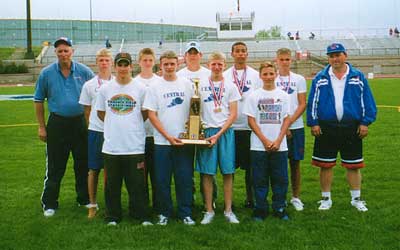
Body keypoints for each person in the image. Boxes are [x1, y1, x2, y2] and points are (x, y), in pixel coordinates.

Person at [307, 43, 377, 212]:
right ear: (328, 58)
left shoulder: (358, 76)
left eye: (338, 55)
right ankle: (326, 198)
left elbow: (367, 100)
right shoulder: (321, 77)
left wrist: (365, 122)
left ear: (345, 55)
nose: (335, 59)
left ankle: (356, 199)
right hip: (326, 127)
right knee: (325, 165)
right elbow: (312, 102)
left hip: (351, 127)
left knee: (353, 165)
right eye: (331, 56)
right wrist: (314, 122)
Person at [34, 37, 94, 217]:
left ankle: (83, 199)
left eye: (66, 50)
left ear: (72, 52)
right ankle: (50, 203)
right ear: (56, 53)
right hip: (57, 124)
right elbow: (38, 100)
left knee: (82, 164)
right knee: (55, 166)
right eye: (59, 51)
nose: (63, 54)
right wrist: (41, 127)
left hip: (79, 124)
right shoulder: (47, 73)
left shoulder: (84, 72)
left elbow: (97, 95)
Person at [96, 52, 151, 225]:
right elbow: (100, 112)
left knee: (137, 185)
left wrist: (130, 124)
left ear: (131, 66)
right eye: (120, 64)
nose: (123, 68)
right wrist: (116, 123)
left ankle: (140, 214)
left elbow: (145, 112)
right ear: (115, 66)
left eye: (126, 64)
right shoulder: (105, 89)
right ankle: (112, 216)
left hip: (134, 145)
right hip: (112, 146)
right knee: (112, 185)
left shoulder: (141, 88)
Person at [143, 51, 196, 226]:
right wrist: (167, 136)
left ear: (177, 64)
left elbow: (194, 110)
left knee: (184, 178)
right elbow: (152, 114)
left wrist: (191, 132)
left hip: (183, 141)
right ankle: (164, 213)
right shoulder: (154, 87)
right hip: (162, 142)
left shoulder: (187, 84)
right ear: (161, 64)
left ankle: (185, 213)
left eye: (172, 63)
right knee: (162, 180)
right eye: (166, 64)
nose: (169, 67)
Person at [196, 52, 241, 224]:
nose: (216, 67)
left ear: (224, 65)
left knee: (228, 172)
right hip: (207, 133)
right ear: (209, 65)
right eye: (214, 64)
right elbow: (195, 110)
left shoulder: (230, 86)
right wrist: (201, 130)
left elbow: (233, 113)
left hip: (225, 132)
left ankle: (228, 210)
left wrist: (219, 134)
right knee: (207, 173)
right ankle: (209, 210)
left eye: (220, 64)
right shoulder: (200, 86)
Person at [244, 62, 291, 221]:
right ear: (260, 76)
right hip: (258, 146)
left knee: (280, 179)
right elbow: (251, 121)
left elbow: (286, 120)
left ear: (276, 74)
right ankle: (260, 209)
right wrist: (264, 140)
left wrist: (278, 140)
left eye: (271, 74)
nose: (269, 77)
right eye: (265, 74)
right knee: (259, 179)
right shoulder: (254, 96)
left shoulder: (283, 95)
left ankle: (279, 207)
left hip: (280, 145)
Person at [177, 41, 217, 208]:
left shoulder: (209, 74)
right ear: (185, 56)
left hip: (206, 124)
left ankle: (210, 199)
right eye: (190, 53)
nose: (193, 55)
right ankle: (190, 197)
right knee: (187, 165)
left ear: (201, 55)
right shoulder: (179, 74)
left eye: (196, 52)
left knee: (207, 165)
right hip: (186, 125)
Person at [224, 41, 262, 209]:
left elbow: (261, 98)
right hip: (230, 127)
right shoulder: (225, 75)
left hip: (249, 127)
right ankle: (228, 203)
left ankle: (250, 198)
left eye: (243, 51)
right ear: (232, 54)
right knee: (229, 167)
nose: (240, 54)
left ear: (247, 54)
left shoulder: (255, 75)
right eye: (237, 51)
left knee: (251, 168)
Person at [79, 48, 114, 219]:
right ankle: (92, 204)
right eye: (101, 60)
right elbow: (87, 110)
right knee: (93, 169)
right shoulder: (89, 85)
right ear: (96, 63)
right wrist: (93, 126)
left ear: (112, 62)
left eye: (107, 60)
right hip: (96, 131)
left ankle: (109, 204)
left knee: (110, 170)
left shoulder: (119, 83)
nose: (104, 63)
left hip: (114, 133)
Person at [275, 48, 307, 211]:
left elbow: (302, 104)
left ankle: (295, 197)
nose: (285, 62)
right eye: (282, 59)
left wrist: (289, 123)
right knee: (277, 164)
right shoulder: (271, 78)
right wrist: (282, 125)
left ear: (291, 60)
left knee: (295, 163)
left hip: (296, 127)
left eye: (287, 59)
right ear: (276, 61)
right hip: (275, 128)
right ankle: (278, 197)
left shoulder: (299, 79)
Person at [133, 48, 160, 212]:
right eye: (145, 60)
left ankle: (158, 207)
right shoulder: (134, 82)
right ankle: (142, 206)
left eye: (150, 60)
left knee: (157, 175)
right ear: (139, 62)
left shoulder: (160, 81)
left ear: (154, 62)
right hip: (139, 136)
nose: (148, 63)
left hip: (157, 136)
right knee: (140, 175)